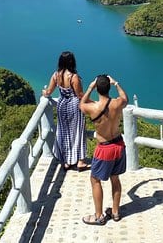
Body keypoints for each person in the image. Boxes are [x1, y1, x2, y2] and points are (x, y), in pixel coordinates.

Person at [79, 74, 128, 225]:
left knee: (95, 179)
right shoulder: (117, 104)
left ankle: (99, 216)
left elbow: (82, 103)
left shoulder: (92, 108)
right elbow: (125, 98)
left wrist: (89, 87)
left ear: (97, 89)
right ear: (108, 87)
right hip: (119, 145)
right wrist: (116, 83)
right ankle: (115, 212)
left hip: (105, 148)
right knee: (115, 179)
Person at [42, 51, 90, 171]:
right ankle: (80, 161)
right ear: (72, 62)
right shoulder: (73, 77)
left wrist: (44, 93)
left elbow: (48, 92)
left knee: (64, 133)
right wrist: (92, 102)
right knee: (78, 132)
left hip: (62, 105)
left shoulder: (56, 75)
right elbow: (79, 95)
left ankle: (66, 161)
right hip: (74, 106)